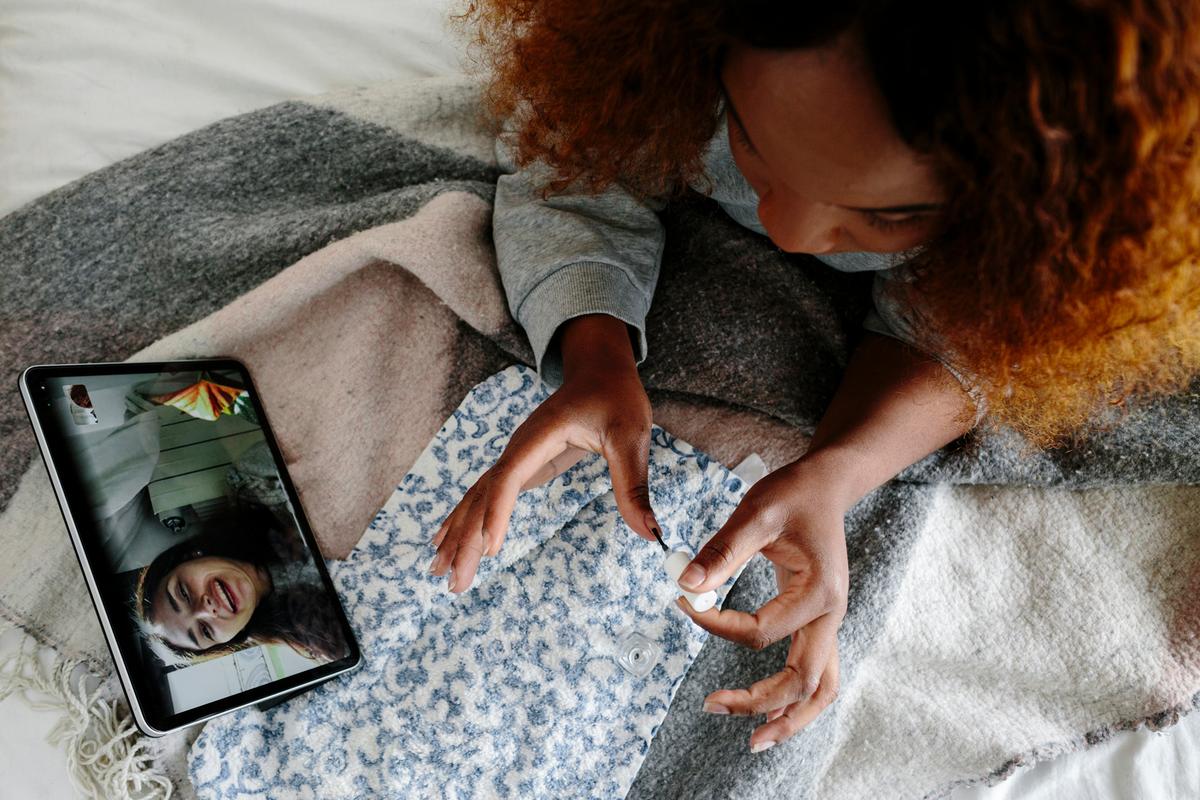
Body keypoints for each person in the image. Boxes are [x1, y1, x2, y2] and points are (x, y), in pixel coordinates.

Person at [430, 0, 1200, 753]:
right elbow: (571, 156)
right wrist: (593, 352)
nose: (788, 230)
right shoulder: (669, 52)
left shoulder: (1041, 227)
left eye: (884, 217)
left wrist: (839, 471)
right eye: (751, 147)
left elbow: (965, 346)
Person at [130, 503, 348, 668]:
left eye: (184, 593)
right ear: (235, 636)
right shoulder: (324, 637)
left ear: (190, 556)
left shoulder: (256, 484)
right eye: (205, 630)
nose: (206, 609)